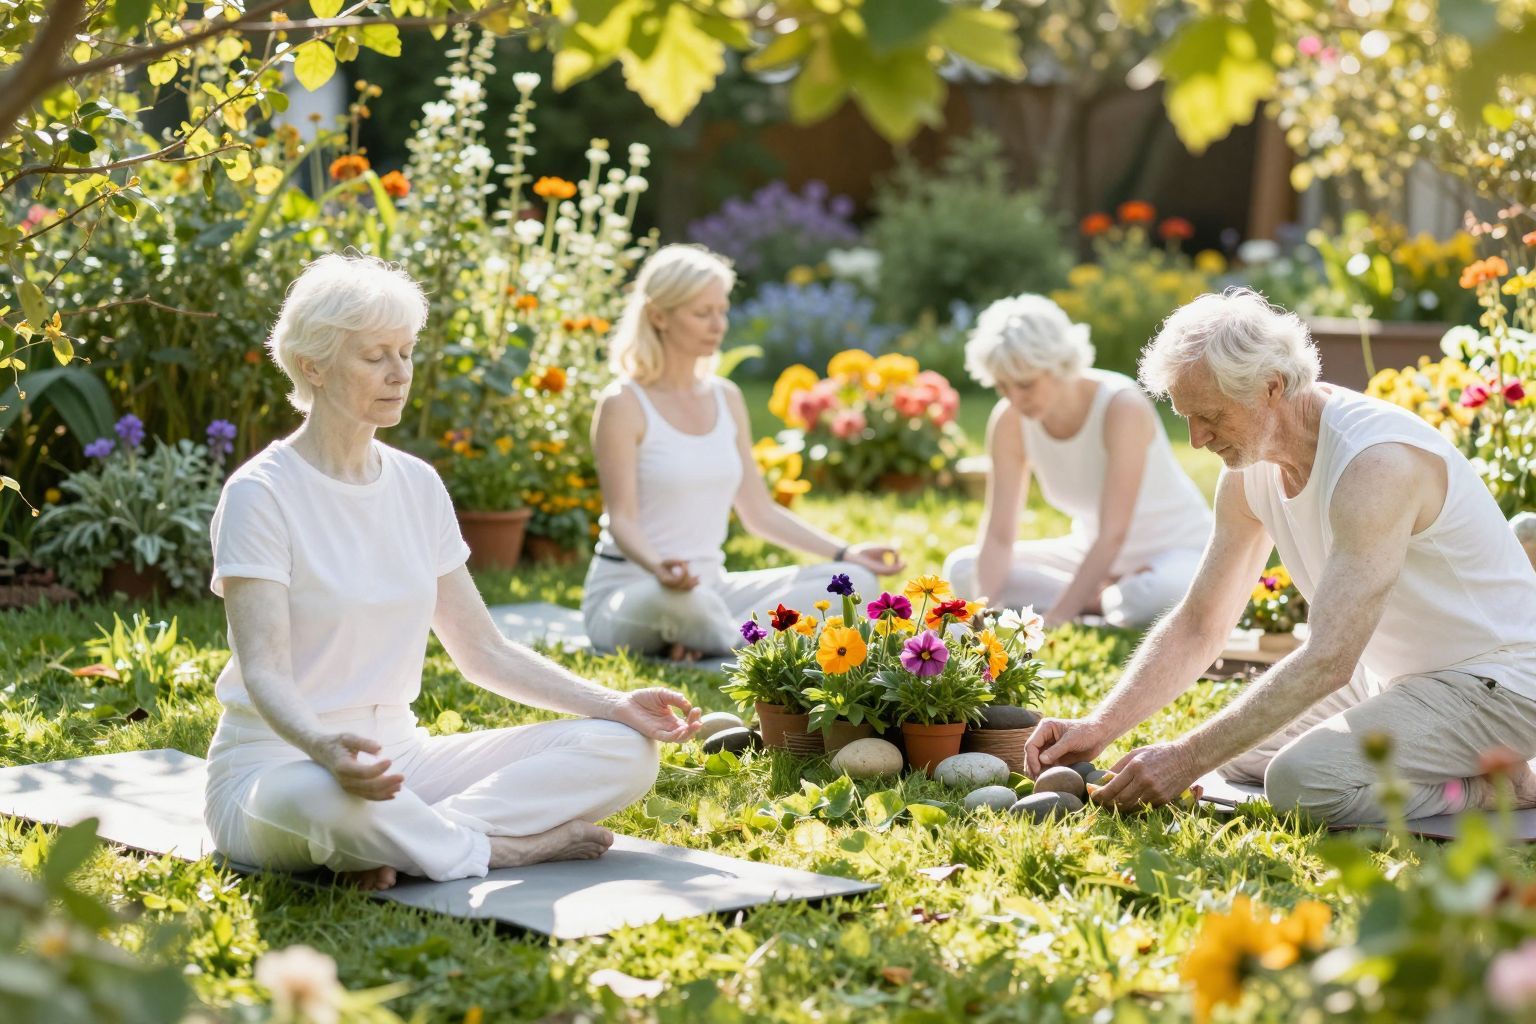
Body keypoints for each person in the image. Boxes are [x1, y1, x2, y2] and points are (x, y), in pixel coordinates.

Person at [205, 253, 701, 892]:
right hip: (280, 768)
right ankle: (505, 849)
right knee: (329, 804)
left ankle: (417, 843)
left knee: (624, 750)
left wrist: (613, 704)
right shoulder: (261, 493)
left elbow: (485, 651)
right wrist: (323, 748)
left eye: (406, 352)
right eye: (375, 355)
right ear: (312, 365)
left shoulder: (417, 484)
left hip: (402, 762)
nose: (399, 373)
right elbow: (266, 672)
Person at [1025, 288, 1536, 825]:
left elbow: (1329, 658)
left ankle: (1498, 788)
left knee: (1300, 783)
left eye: (1211, 416)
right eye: (1186, 417)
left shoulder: (1376, 467)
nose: (1197, 439)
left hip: (1501, 686)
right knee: (1246, 755)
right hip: (1395, 675)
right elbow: (1201, 623)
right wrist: (1100, 726)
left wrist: (1186, 759)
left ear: (1271, 386)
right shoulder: (1248, 477)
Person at [584, 244, 905, 660]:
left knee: (855, 580)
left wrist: (845, 552)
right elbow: (622, 520)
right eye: (702, 313)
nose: (718, 324)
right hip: (635, 591)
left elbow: (760, 512)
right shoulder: (623, 403)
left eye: (722, 310)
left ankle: (710, 639)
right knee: (689, 606)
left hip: (713, 589)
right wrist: (659, 567)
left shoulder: (726, 397)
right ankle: (741, 639)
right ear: (659, 316)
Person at [942, 294, 1212, 629]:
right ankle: (1104, 600)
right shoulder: (1009, 420)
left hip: (1174, 554)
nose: (1014, 398)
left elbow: (1114, 532)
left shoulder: (1121, 405)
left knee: (1154, 596)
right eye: (1002, 386)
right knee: (964, 568)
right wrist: (980, 613)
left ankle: (1097, 600)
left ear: (1060, 365)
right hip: (1091, 556)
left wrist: (1054, 620)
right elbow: (999, 534)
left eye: (1025, 384)